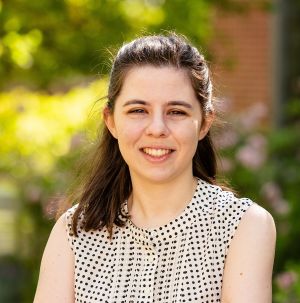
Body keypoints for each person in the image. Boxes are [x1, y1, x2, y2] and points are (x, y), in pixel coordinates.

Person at [33, 33, 276, 303]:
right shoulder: (73, 232)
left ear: (204, 123)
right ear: (111, 121)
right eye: (138, 110)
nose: (157, 129)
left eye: (177, 112)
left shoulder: (243, 226)